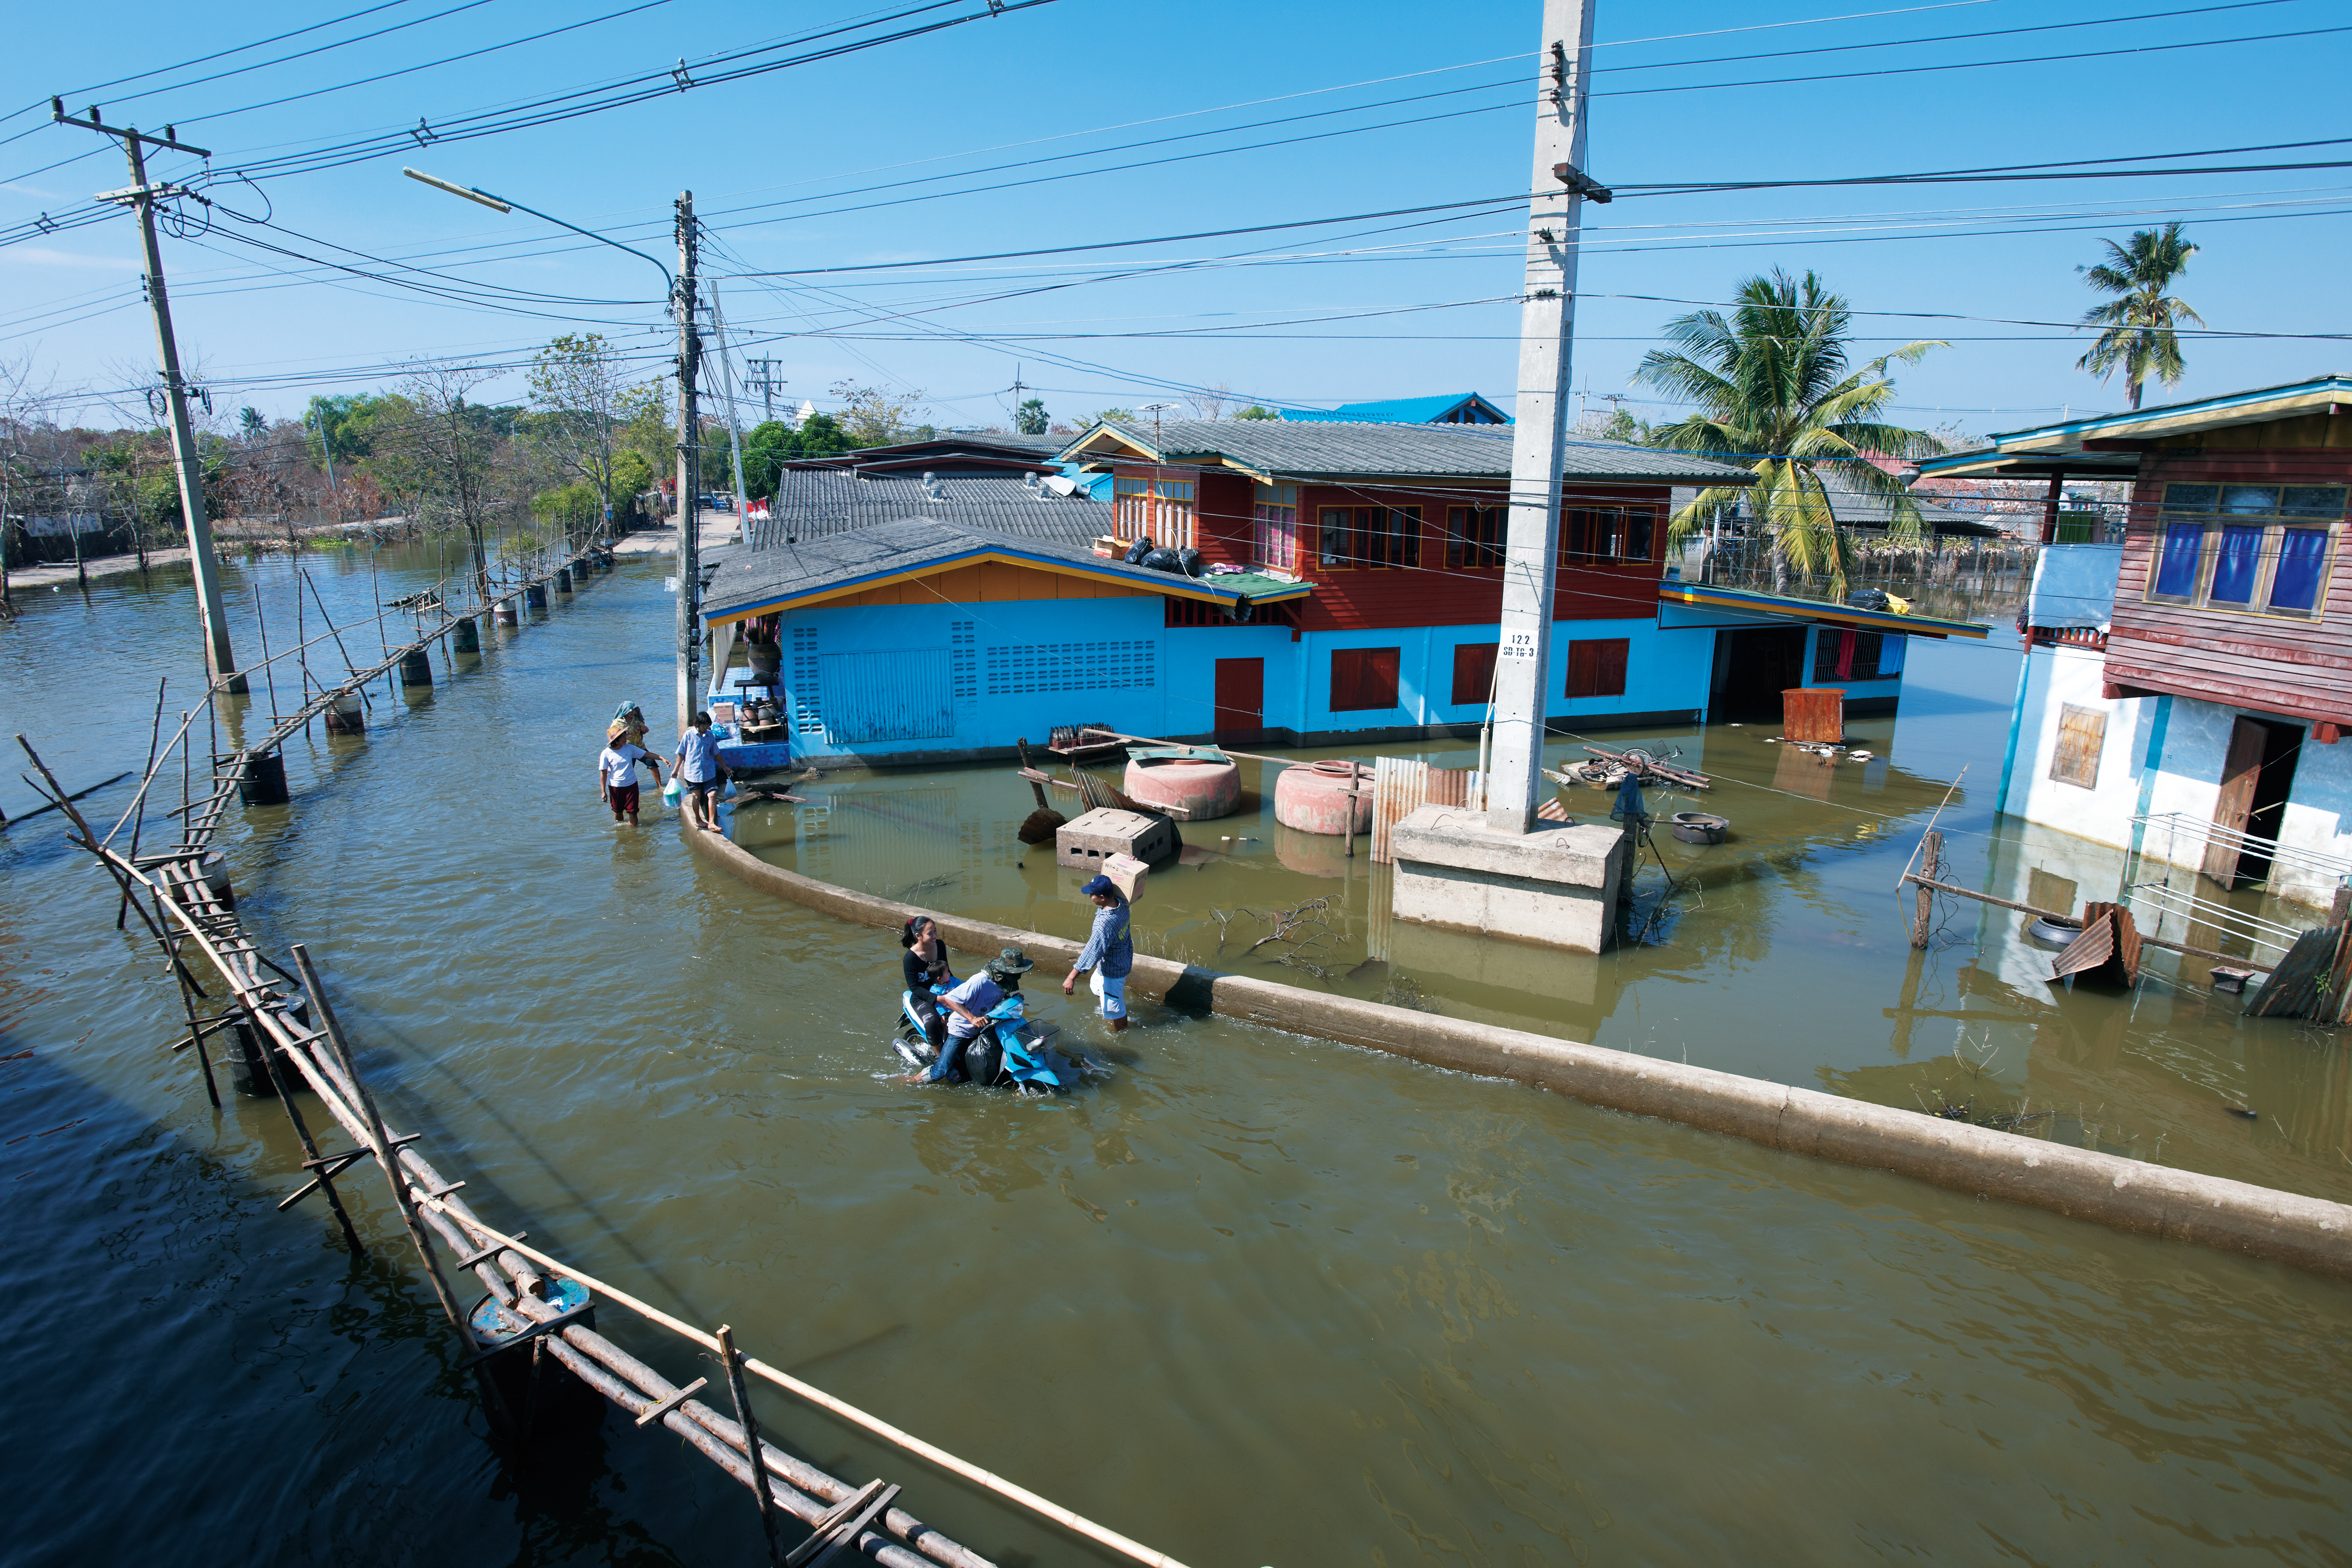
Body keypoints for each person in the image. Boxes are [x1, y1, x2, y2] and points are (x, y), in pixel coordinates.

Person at [908, 947, 1033, 1084]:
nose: (1018, 976)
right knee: (941, 1071)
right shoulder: (980, 981)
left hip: (984, 1026)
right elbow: (951, 999)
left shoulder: (1006, 984)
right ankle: (911, 1080)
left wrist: (1013, 999)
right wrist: (972, 1018)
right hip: (961, 1030)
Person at [1062, 875, 1133, 1032]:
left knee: (1115, 1010)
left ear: (1102, 898)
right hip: (1120, 959)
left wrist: (1071, 977)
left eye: (1092, 895)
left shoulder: (1104, 924)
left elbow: (1091, 952)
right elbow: (1130, 883)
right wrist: (1131, 864)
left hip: (1113, 970)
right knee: (1096, 985)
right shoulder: (1122, 903)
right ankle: (1108, 1005)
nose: (1090, 897)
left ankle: (1120, 1034)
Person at [899, 914, 956, 1056]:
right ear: (918, 936)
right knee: (931, 1021)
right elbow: (915, 988)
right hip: (922, 997)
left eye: (935, 931)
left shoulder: (940, 946)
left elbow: (947, 972)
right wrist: (939, 1000)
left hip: (943, 990)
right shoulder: (910, 959)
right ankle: (941, 1057)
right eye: (930, 934)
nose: (935, 936)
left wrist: (959, 989)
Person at [673, 710, 730, 832]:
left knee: (713, 795)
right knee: (697, 796)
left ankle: (711, 823)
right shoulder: (689, 735)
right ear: (698, 724)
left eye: (707, 725)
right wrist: (676, 770)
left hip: (709, 771)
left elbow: (716, 753)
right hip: (693, 772)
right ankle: (699, 820)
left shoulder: (710, 736)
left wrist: (725, 767)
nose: (706, 727)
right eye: (704, 725)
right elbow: (681, 753)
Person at [597, 727, 662, 826]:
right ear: (616, 741)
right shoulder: (606, 753)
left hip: (632, 785)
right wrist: (603, 791)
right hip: (616, 787)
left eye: (625, 735)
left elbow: (646, 754)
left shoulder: (630, 748)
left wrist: (662, 758)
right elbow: (604, 773)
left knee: (633, 811)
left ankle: (633, 835)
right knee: (618, 812)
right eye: (622, 737)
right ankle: (620, 832)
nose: (626, 738)